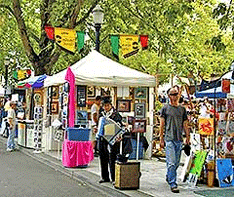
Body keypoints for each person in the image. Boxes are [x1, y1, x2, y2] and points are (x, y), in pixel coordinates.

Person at [159, 87, 190, 193]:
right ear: (168, 96)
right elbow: (162, 125)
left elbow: (185, 124)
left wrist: (188, 137)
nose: (175, 96)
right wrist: (161, 139)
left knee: (176, 163)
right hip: (169, 138)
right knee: (171, 162)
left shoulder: (182, 109)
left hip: (179, 139)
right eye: (172, 94)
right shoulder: (165, 108)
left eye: (176, 94)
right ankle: (173, 183)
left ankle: (169, 176)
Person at [96, 96, 122, 184]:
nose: (106, 107)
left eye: (107, 105)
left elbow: (119, 127)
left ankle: (114, 178)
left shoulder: (116, 115)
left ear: (111, 105)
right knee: (103, 157)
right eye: (104, 106)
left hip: (112, 139)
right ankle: (105, 177)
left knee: (112, 158)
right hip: (102, 138)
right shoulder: (101, 114)